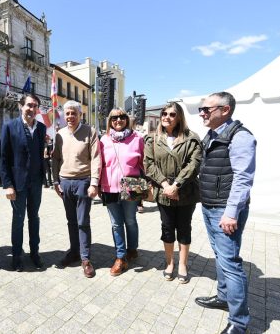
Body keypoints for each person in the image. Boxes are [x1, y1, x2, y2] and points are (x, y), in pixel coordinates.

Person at [193, 92, 256, 334]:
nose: (202, 113)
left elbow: (243, 179)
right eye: (201, 109)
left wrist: (230, 214)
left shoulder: (240, 137)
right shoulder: (211, 135)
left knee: (230, 263)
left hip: (225, 210)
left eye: (206, 109)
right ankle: (223, 297)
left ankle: (239, 322)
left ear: (225, 110)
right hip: (210, 205)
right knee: (220, 257)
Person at [144, 102, 202, 284]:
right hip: (163, 192)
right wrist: (165, 185)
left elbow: (194, 164)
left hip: (185, 192)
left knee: (184, 229)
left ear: (179, 118)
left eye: (172, 114)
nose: (166, 117)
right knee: (167, 228)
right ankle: (169, 263)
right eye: (164, 113)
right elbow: (149, 164)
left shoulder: (191, 138)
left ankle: (183, 265)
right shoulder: (152, 139)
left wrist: (176, 185)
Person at [51, 100, 101, 278]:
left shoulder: (90, 132)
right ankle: (74, 251)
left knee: (82, 222)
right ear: (64, 116)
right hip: (65, 183)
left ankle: (85, 258)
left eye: (74, 113)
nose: (70, 116)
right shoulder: (60, 134)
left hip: (83, 182)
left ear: (80, 115)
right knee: (71, 221)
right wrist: (56, 182)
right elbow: (55, 159)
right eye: (68, 113)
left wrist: (94, 182)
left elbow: (96, 158)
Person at [0, 94, 46, 271]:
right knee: (18, 220)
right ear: (21, 106)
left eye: (35, 106)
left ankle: (35, 253)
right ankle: (17, 256)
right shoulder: (9, 127)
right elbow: (3, 158)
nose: (31, 109)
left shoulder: (41, 128)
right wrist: (7, 185)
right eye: (29, 105)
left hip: (36, 183)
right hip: (17, 184)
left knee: (34, 218)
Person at [98, 109, 144, 276]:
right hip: (109, 186)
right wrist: (96, 185)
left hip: (131, 184)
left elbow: (144, 163)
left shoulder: (138, 138)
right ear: (110, 120)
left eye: (122, 117)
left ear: (127, 119)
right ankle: (120, 257)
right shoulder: (103, 139)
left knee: (130, 220)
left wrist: (147, 185)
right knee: (116, 223)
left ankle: (132, 249)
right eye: (115, 117)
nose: (118, 120)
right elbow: (99, 164)